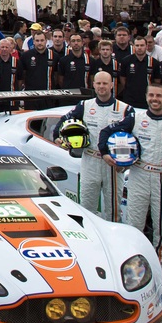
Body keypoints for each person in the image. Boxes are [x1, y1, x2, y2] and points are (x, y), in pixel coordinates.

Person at [100, 81, 162, 283]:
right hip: (139, 174)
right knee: (134, 224)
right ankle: (133, 268)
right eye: (151, 96)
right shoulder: (135, 118)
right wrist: (107, 155)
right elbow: (105, 133)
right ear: (146, 98)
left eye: (158, 96)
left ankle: (161, 267)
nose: (155, 99)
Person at [55, 71, 127, 222]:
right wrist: (57, 138)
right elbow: (63, 121)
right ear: (93, 85)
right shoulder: (85, 105)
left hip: (113, 164)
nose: (101, 86)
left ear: (112, 85)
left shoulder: (125, 109)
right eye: (98, 83)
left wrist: (126, 162)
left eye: (105, 83)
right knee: (87, 207)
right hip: (90, 160)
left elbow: (134, 136)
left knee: (113, 211)